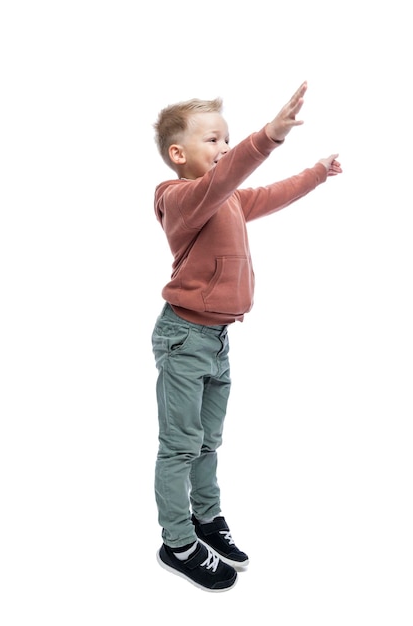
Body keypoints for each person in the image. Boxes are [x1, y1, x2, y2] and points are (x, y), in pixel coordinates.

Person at [151, 81, 342, 592]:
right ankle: (177, 543)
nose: (226, 148)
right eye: (213, 139)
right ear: (178, 153)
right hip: (184, 338)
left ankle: (206, 521)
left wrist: (317, 174)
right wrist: (270, 136)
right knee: (180, 447)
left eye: (229, 139)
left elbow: (270, 193)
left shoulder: (227, 199)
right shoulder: (179, 198)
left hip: (217, 340)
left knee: (208, 442)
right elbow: (228, 178)